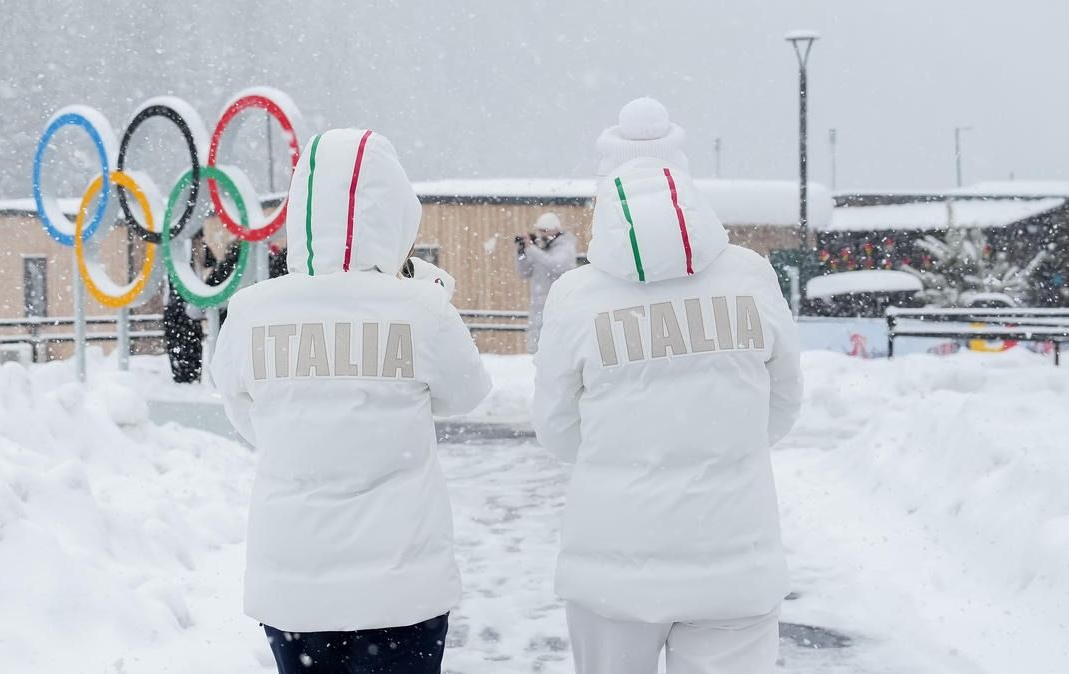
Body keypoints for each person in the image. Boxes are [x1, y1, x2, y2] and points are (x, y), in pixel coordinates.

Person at [531, 97, 804, 674]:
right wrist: (723, 443)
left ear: (607, 195)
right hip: (736, 560)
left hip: (612, 568)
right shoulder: (749, 275)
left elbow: (557, 430)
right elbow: (782, 404)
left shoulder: (577, 296)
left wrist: (621, 454)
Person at [210, 128, 492, 674]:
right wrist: (429, 291)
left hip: (293, 590)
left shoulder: (250, 312)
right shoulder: (419, 308)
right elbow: (468, 393)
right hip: (402, 588)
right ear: (394, 215)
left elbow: (248, 416)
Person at [515, 212, 577, 353]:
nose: (541, 235)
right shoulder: (540, 250)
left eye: (545, 231)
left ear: (555, 229)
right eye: (539, 231)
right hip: (538, 307)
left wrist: (532, 249)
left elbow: (556, 265)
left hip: (559, 306)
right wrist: (521, 252)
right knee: (535, 349)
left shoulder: (566, 247)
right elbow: (524, 272)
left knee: (556, 348)